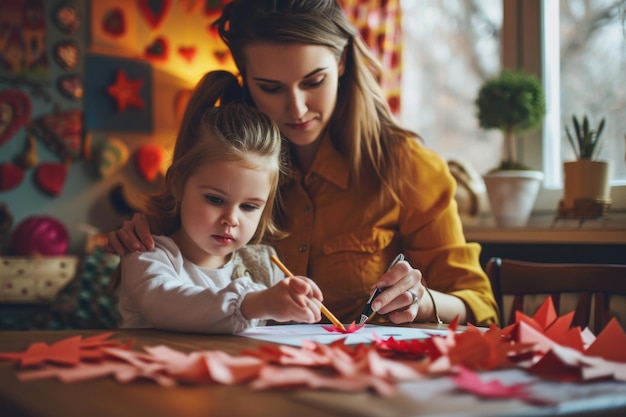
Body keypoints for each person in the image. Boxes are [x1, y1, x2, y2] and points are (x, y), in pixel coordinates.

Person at [107, 0, 499, 327]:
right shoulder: (225, 160)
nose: (296, 109)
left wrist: (423, 300)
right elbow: (165, 279)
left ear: (342, 62)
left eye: (313, 82)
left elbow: (480, 308)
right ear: (245, 79)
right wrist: (145, 228)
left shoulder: (409, 168)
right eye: (271, 88)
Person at [113, 81, 323, 334]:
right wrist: (256, 303)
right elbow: (167, 303)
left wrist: (297, 305)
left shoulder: (264, 266)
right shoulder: (147, 256)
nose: (231, 219)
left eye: (249, 206)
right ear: (178, 185)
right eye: (215, 199)